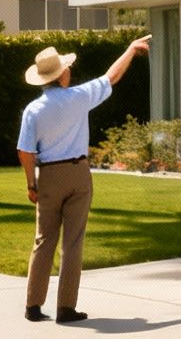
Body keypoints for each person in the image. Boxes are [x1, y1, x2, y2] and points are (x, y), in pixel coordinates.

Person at [15, 36, 150, 324]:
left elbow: (25, 151)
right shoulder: (79, 97)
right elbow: (111, 77)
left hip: (48, 174)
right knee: (73, 242)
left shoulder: (33, 110)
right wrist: (130, 50)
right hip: (77, 173)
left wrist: (31, 183)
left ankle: (33, 306)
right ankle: (66, 308)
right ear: (62, 74)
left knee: (43, 240)